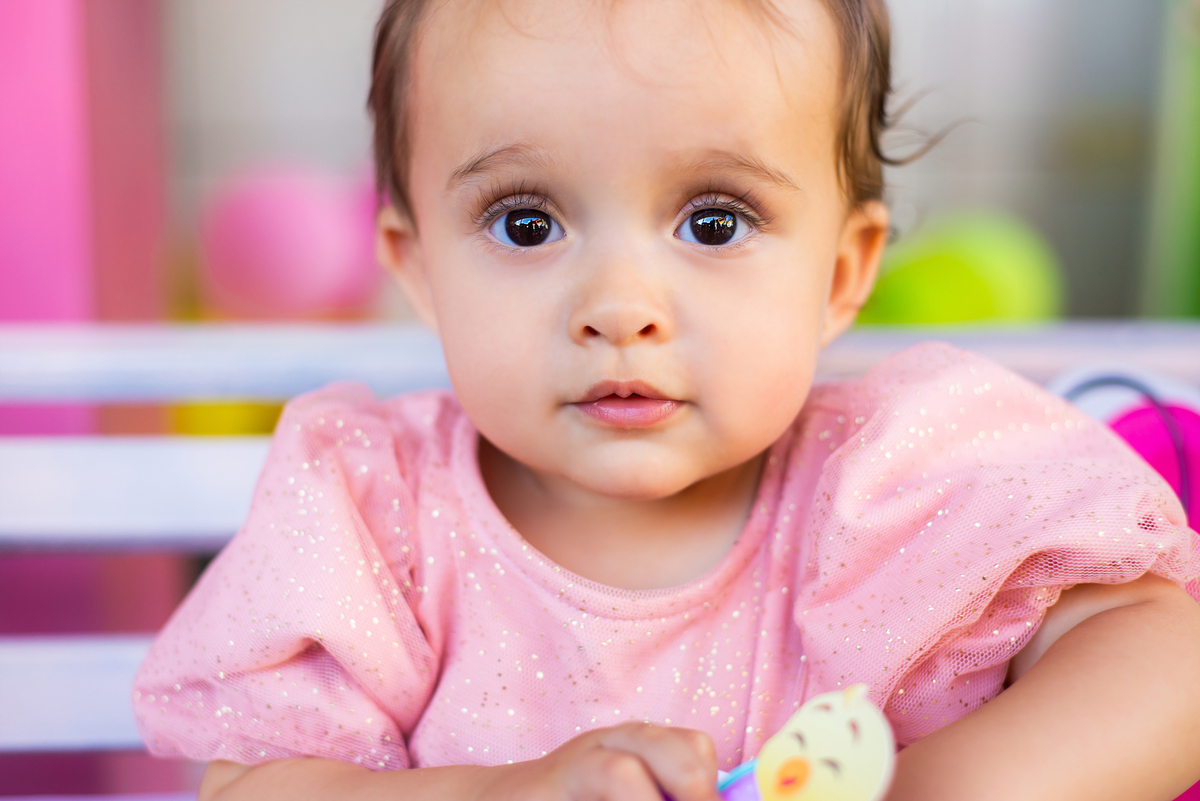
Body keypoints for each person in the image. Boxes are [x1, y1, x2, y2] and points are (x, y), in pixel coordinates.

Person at [133, 1, 1200, 799]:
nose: (620, 307)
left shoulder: (902, 476)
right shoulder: (376, 513)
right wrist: (505, 792)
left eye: (715, 221)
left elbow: (1163, 655)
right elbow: (256, 787)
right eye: (526, 222)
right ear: (419, 270)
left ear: (839, 274)